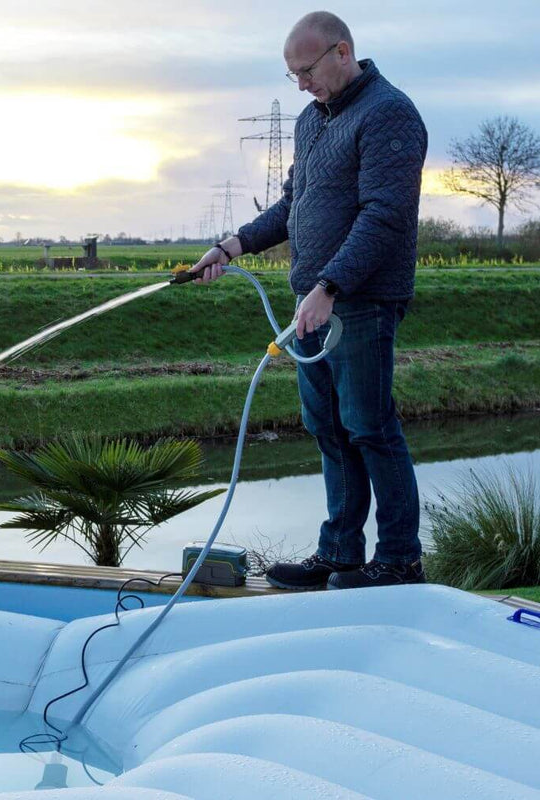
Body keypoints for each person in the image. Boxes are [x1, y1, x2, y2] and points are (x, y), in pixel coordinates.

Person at [191, 11, 428, 590]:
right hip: (314, 302)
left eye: (307, 70)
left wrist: (330, 286)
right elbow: (293, 205)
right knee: (327, 426)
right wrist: (233, 244)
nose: (300, 83)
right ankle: (341, 553)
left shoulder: (390, 114)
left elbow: (384, 215)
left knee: (369, 425)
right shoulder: (310, 120)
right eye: (292, 74)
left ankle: (399, 559)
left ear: (341, 52)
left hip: (360, 301)